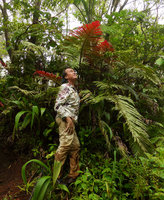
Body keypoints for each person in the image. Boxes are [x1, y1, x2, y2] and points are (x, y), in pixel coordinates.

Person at [54, 68, 80, 184]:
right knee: (64, 146)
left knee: (75, 146)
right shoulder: (65, 87)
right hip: (65, 120)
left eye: (74, 70)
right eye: (70, 71)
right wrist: (68, 118)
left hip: (71, 122)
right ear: (66, 77)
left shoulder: (73, 89)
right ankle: (56, 177)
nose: (74, 71)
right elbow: (57, 106)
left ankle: (73, 175)